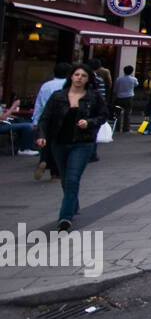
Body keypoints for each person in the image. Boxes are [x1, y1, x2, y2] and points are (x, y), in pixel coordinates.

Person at [35, 63, 108, 231]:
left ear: (88, 79)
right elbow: (45, 118)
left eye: (83, 75)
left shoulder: (93, 97)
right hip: (59, 143)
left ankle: (65, 217)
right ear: (71, 77)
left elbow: (103, 115)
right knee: (65, 179)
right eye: (76, 75)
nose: (79, 78)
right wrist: (41, 135)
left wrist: (89, 122)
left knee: (72, 178)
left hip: (82, 143)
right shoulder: (58, 96)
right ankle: (72, 204)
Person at [112, 65, 138, 133]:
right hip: (129, 97)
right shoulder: (133, 79)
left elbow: (115, 89)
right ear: (131, 72)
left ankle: (117, 127)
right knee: (127, 113)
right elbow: (136, 84)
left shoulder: (119, 79)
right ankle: (126, 128)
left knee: (118, 113)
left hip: (119, 97)